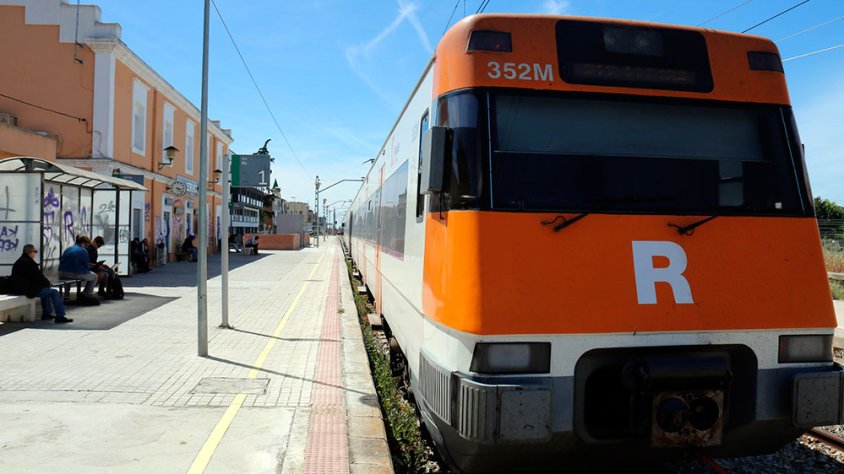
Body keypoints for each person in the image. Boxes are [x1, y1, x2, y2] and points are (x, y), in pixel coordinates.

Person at [10, 244, 72, 323]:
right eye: (35, 251)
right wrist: (47, 283)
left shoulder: (21, 261)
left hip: (19, 288)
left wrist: (44, 284)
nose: (35, 253)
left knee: (45, 290)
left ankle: (46, 313)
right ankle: (60, 316)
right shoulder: (28, 263)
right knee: (54, 293)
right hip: (27, 289)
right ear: (30, 252)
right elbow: (38, 277)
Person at [59, 235, 99, 304]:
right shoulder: (83, 251)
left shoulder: (68, 249)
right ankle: (87, 295)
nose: (87, 247)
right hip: (75, 273)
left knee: (67, 277)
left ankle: (66, 296)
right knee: (95, 276)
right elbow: (87, 266)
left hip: (62, 273)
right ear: (84, 243)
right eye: (87, 245)